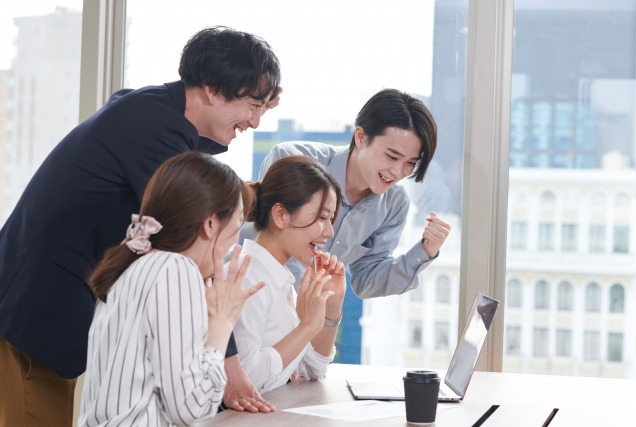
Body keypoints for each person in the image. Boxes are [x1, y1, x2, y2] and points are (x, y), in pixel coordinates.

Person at [0, 26, 279, 426]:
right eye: (252, 105)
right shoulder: (156, 133)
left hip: (43, 296)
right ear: (213, 89)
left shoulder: (151, 109)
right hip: (35, 307)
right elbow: (192, 229)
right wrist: (230, 367)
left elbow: (196, 156)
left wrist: (254, 102)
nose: (255, 122)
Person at [78, 151, 264, 425]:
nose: (236, 237)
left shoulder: (134, 262)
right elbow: (190, 408)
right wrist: (222, 323)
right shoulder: (175, 269)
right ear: (210, 224)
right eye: (238, 220)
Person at [239, 88, 451, 299]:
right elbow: (270, 247)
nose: (398, 172)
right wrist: (301, 311)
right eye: (392, 157)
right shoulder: (293, 160)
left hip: (310, 313)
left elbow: (366, 280)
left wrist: (425, 251)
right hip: (253, 294)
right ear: (361, 137)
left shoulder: (395, 202)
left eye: (410, 163)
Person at [230, 155, 346, 393]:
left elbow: (313, 368)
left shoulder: (280, 280)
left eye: (331, 219)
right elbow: (244, 380)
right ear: (281, 215)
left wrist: (332, 305)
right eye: (322, 217)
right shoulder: (247, 279)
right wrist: (306, 326)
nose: (330, 232)